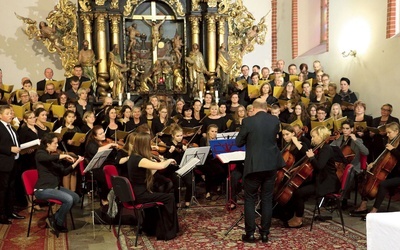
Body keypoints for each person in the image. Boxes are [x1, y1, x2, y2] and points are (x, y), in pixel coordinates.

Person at [235, 99, 285, 243]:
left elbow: (238, 142)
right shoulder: (274, 121)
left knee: (250, 198)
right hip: (270, 165)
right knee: (267, 198)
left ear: (254, 109)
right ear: (266, 108)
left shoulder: (248, 122)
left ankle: (250, 234)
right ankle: (265, 234)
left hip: (254, 166)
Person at [285, 125, 340, 228]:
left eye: (314, 136)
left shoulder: (326, 149)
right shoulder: (320, 148)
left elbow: (319, 166)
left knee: (299, 193)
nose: (312, 138)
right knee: (297, 187)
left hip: (327, 183)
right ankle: (293, 214)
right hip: (320, 179)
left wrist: (312, 157)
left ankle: (298, 219)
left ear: (321, 136)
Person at [127, 132, 179, 240]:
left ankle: (152, 227)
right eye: (149, 143)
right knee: (169, 197)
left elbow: (147, 173)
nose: (150, 145)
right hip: (141, 195)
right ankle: (168, 231)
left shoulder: (133, 156)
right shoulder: (140, 159)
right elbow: (161, 166)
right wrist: (168, 160)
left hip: (138, 191)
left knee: (161, 190)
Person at [34, 132, 84, 236]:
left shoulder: (53, 156)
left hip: (54, 187)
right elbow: (46, 159)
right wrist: (62, 156)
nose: (57, 145)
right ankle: (59, 223)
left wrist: (76, 163)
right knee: (68, 199)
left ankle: (53, 218)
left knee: (75, 197)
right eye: (55, 143)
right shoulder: (40, 153)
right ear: (47, 144)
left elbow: (64, 172)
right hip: (43, 189)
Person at [350, 122, 400, 221]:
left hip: (397, 174)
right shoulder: (389, 142)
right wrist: (373, 164)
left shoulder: (396, 145)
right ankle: (363, 205)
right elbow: (382, 158)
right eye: (387, 133)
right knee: (364, 177)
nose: (387, 135)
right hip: (388, 172)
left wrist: (393, 150)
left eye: (389, 132)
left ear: (397, 131)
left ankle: (374, 211)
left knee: (383, 184)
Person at [0, 105, 25, 224]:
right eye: (7, 113)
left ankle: (10, 211)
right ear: (0, 115)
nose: (11, 115)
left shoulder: (11, 127)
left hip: (14, 162)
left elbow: (16, 142)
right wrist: (10, 149)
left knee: (11, 188)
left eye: (11, 113)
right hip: (3, 163)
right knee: (2, 190)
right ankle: (1, 215)